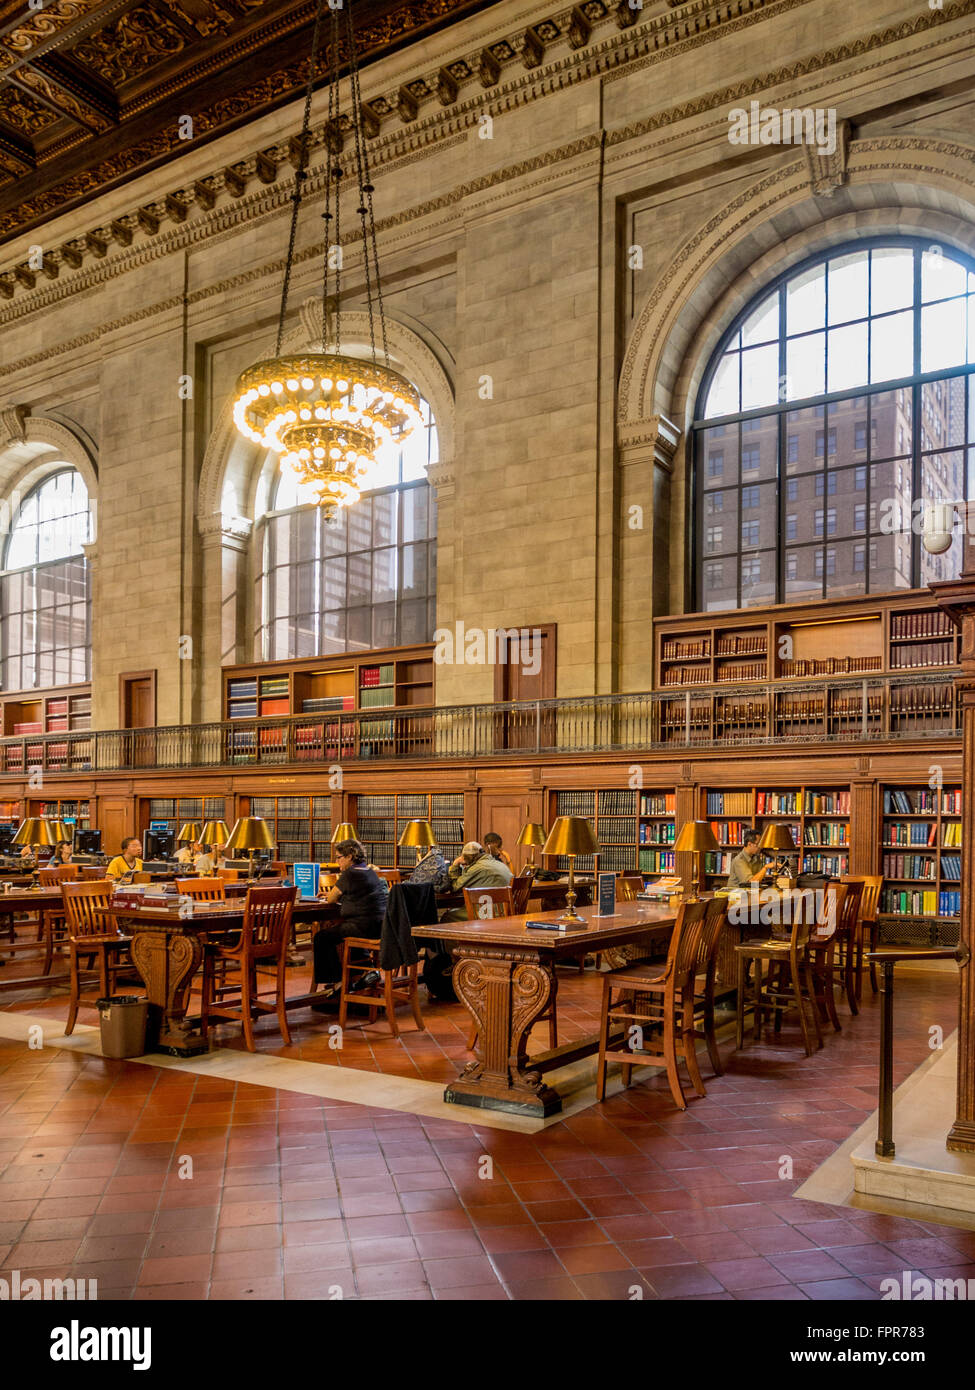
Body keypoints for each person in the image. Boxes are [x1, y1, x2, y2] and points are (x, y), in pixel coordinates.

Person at [311, 839, 388, 1003]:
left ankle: (338, 982)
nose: (336, 861)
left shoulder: (350, 873)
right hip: (379, 926)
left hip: (362, 926)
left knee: (322, 938)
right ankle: (367, 971)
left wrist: (329, 896)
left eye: (339, 857)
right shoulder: (368, 871)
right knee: (344, 932)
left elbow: (332, 899)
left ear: (350, 856)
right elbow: (356, 894)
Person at [441, 841, 513, 922]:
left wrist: (455, 864)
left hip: (488, 914)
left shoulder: (476, 868)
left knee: (447, 917)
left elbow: (455, 888)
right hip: (506, 912)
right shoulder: (500, 864)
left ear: (466, 858)